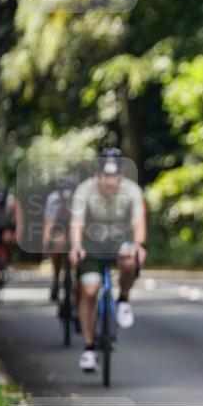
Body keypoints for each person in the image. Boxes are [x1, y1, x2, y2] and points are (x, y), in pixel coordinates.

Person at [68, 148, 147, 373]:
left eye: (114, 176)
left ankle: (123, 299)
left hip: (120, 242)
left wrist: (139, 246)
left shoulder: (132, 190)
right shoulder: (84, 191)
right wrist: (76, 246)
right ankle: (89, 348)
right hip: (91, 244)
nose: (110, 181)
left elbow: (138, 222)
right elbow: (76, 223)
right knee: (90, 291)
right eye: (105, 175)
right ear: (97, 174)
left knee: (130, 260)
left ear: (121, 175)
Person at [43, 177, 76, 301]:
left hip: (75, 224)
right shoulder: (53, 199)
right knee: (58, 243)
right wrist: (46, 244)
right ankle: (56, 280)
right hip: (58, 225)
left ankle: (76, 278)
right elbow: (49, 222)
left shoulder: (78, 197)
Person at [0, 187, 20, 296]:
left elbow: (18, 219)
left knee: (7, 244)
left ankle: (5, 263)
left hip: (7, 226)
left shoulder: (12, 202)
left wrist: (14, 235)